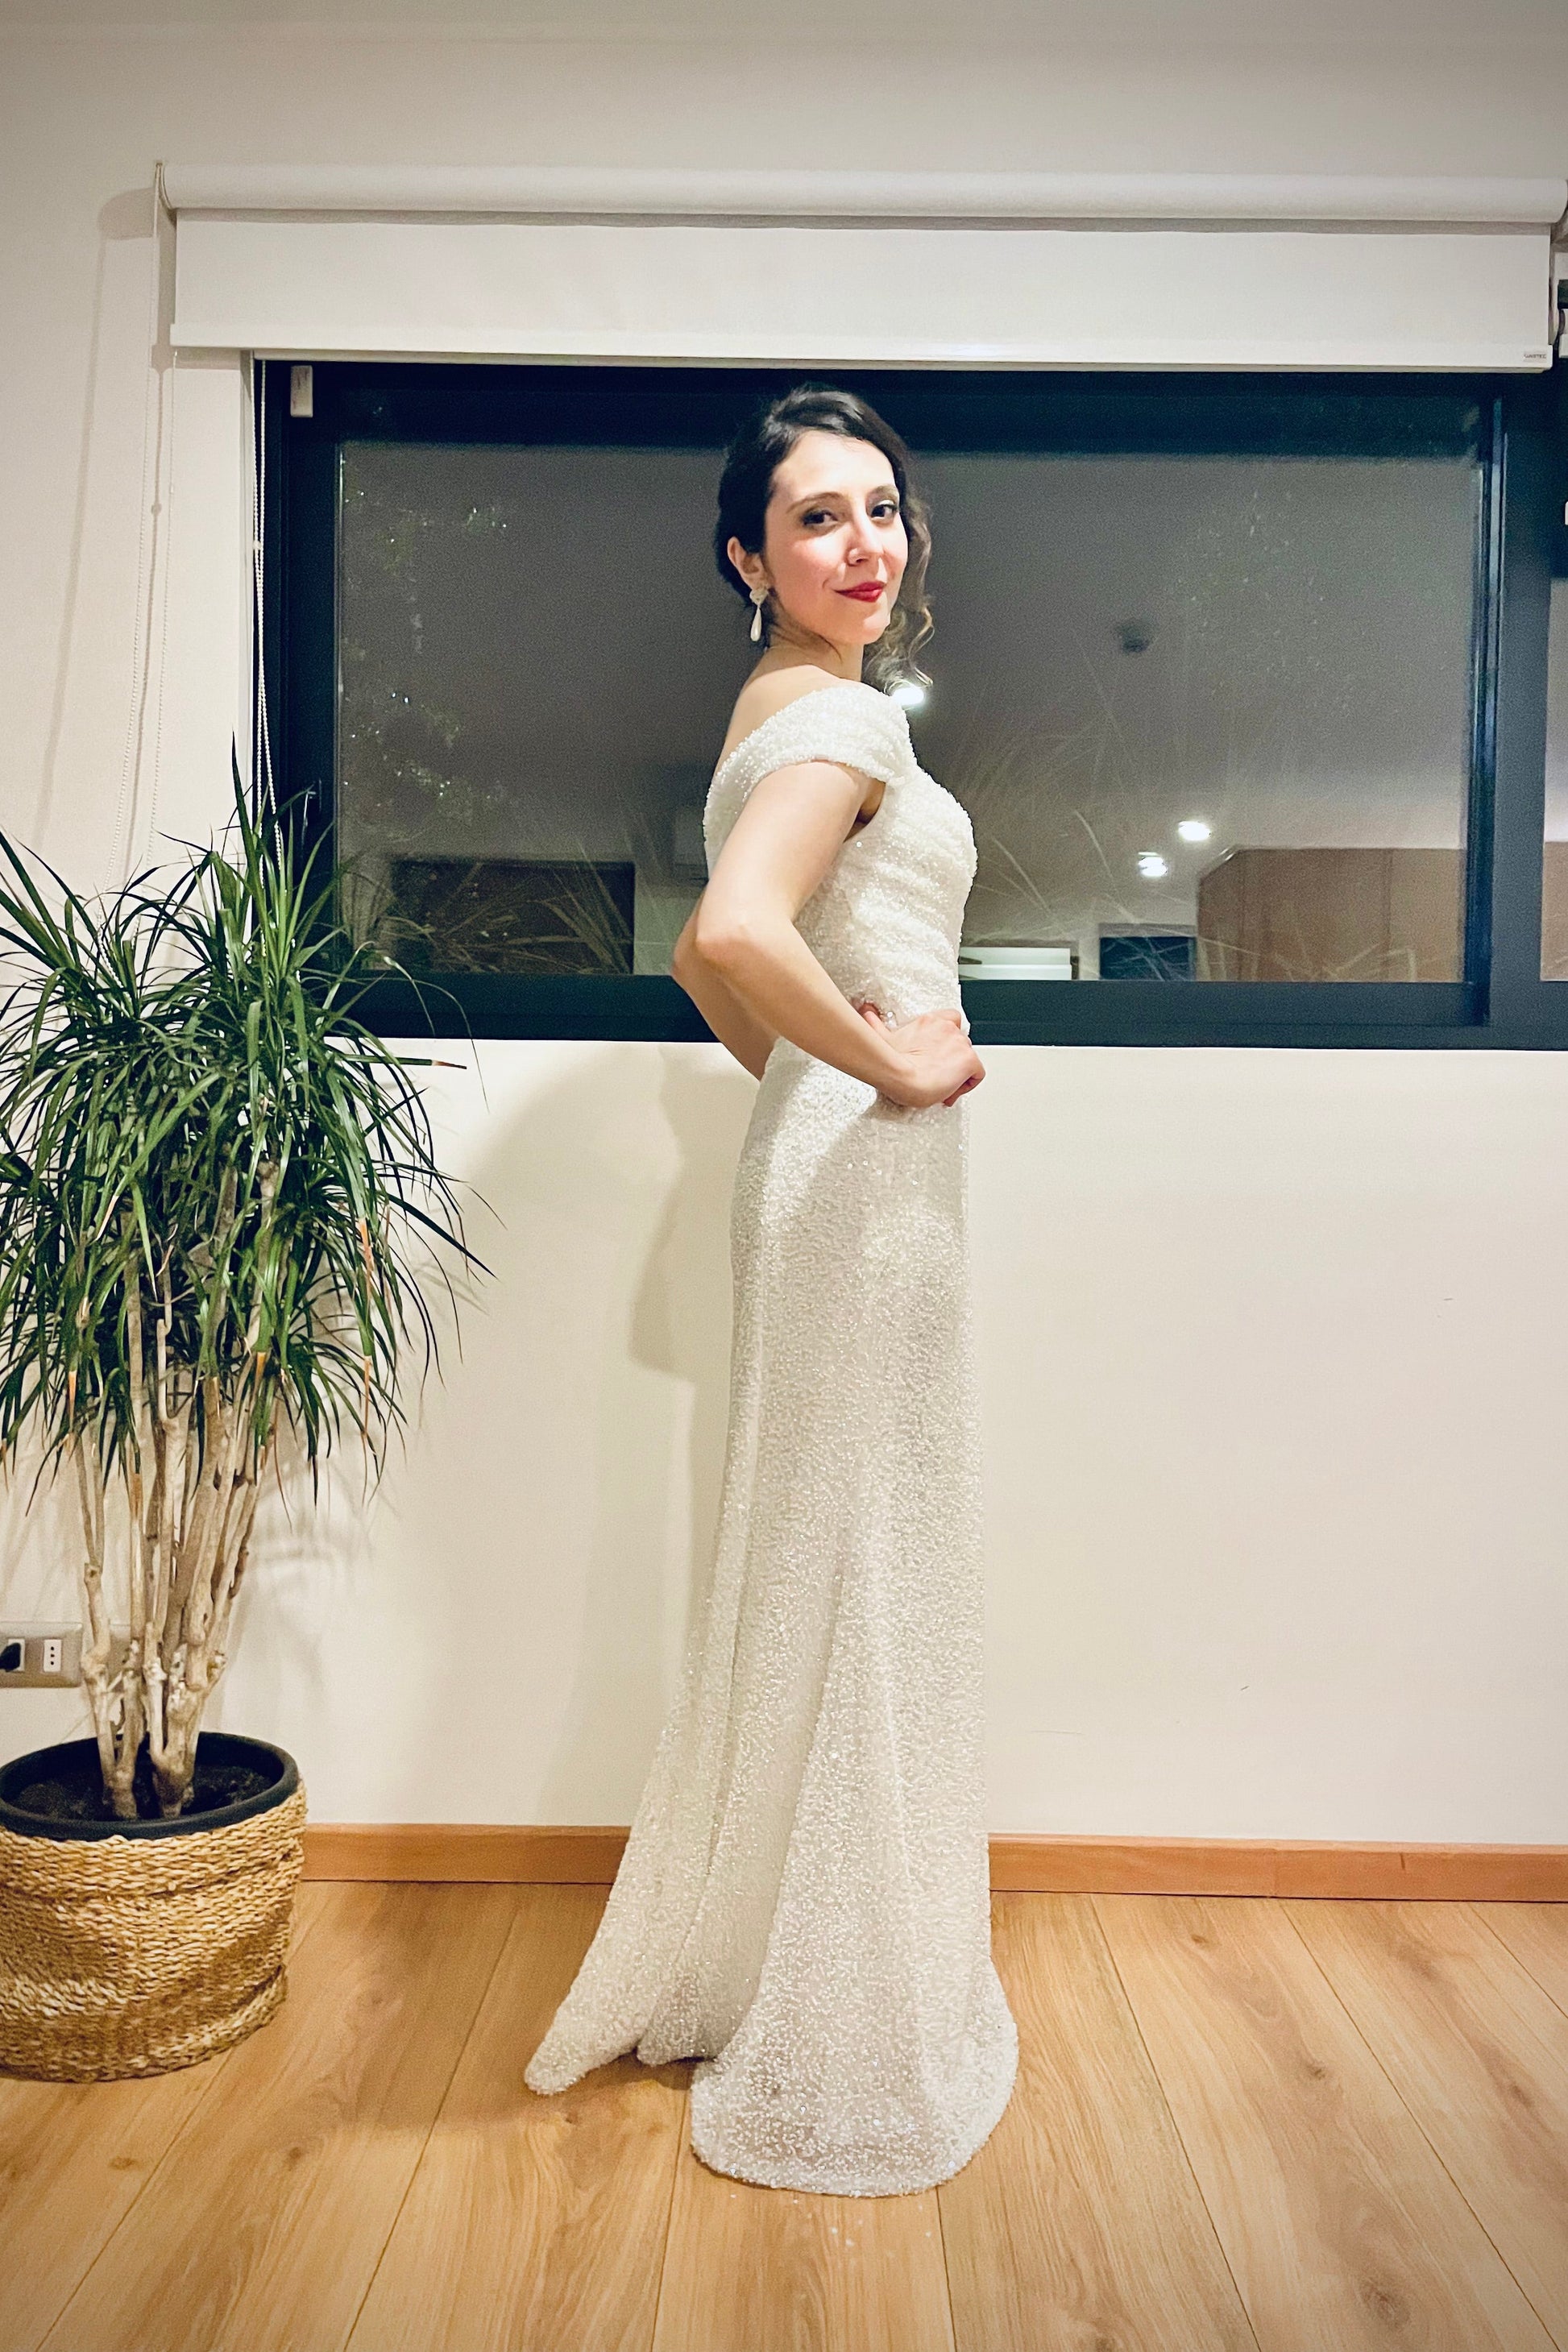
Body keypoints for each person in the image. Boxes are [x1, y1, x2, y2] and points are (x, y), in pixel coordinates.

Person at [523, 384, 1018, 2196]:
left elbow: (697, 947)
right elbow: (733, 935)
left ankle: (770, 1950)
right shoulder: (849, 716)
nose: (863, 542)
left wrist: (810, 1076)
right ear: (749, 556)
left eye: (881, 507)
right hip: (864, 1178)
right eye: (817, 516)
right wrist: (885, 1070)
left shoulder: (766, 716)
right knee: (863, 1545)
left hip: (824, 1166)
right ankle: (841, 1998)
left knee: (824, 1538)